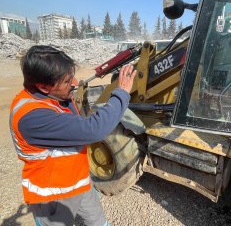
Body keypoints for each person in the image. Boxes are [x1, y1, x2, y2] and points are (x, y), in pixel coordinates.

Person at [9, 45, 137, 226]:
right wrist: (122, 93)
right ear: (43, 86)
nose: (75, 83)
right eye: (68, 81)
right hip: (52, 196)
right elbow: (94, 129)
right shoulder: (32, 118)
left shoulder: (54, 98)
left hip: (81, 184)